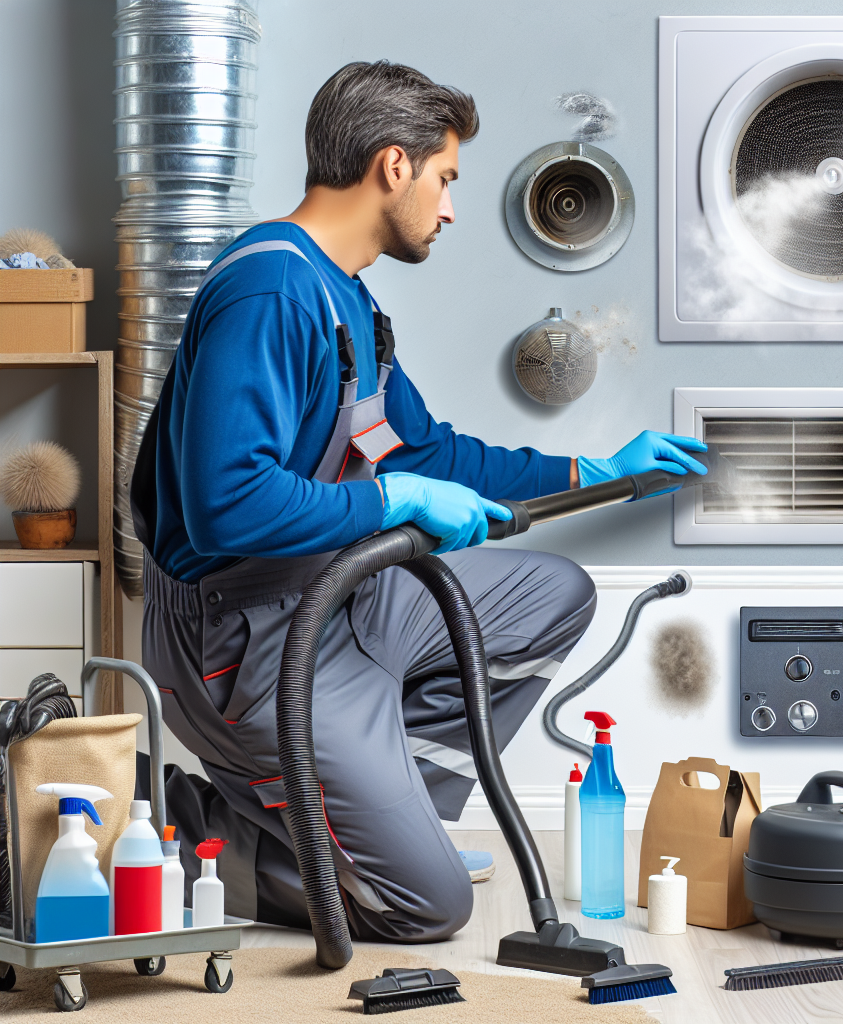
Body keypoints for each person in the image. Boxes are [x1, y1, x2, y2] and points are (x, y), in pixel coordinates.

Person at [131, 60, 707, 941]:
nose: (447, 207)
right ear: (392, 166)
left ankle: (381, 818)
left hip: (339, 594)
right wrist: (398, 498)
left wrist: (595, 472)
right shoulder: (271, 290)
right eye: (445, 179)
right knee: (428, 907)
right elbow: (226, 504)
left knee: (551, 595)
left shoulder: (347, 297)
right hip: (244, 639)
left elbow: (427, 452)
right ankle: (178, 834)